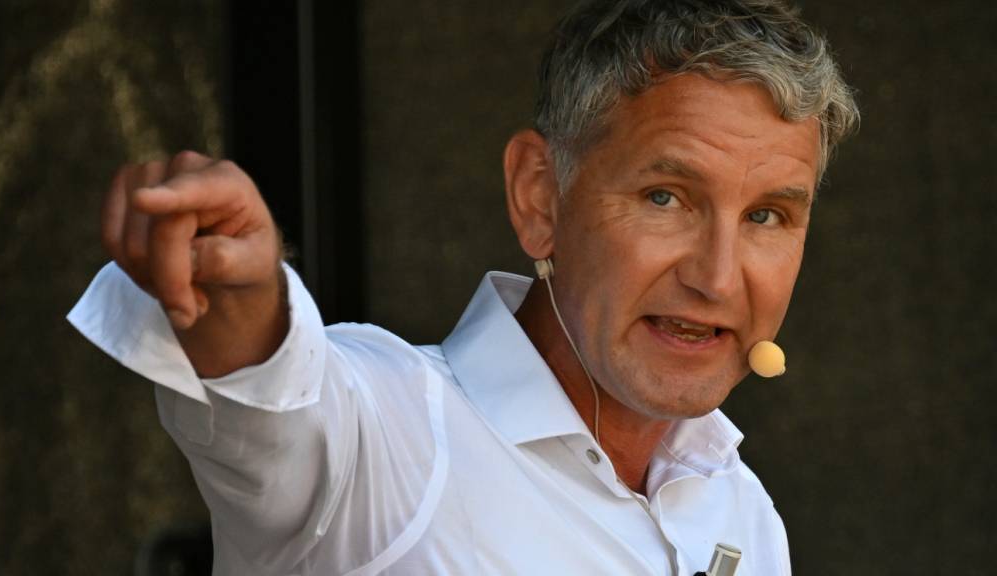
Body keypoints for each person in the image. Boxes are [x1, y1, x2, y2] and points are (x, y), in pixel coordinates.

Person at [69, 0, 858, 574]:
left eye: (767, 215)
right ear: (539, 198)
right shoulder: (386, 436)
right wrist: (237, 285)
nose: (717, 276)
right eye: (665, 197)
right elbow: (277, 399)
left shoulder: (741, 508)